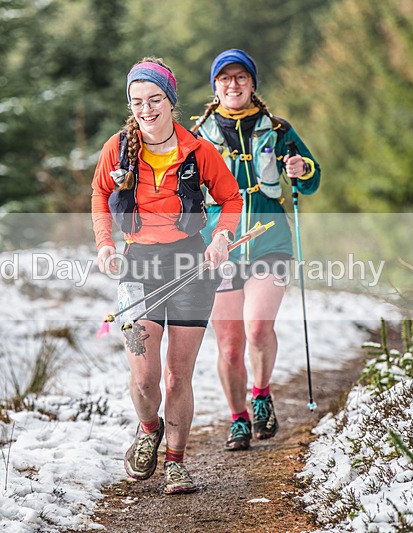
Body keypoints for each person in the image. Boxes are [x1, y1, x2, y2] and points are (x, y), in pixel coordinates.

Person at [91, 58, 242, 494]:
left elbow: (231, 198)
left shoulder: (198, 151)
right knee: (143, 377)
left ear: (171, 101)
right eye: (137, 101)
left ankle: (175, 461)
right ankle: (148, 429)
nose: (146, 109)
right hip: (137, 264)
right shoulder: (118, 148)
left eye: (155, 99)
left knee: (178, 375)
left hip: (192, 265)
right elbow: (100, 193)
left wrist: (221, 237)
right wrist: (104, 243)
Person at [192, 49, 321, 451]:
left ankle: (261, 395)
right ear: (215, 87)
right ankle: (238, 419)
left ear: (252, 84)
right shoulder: (197, 137)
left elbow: (311, 179)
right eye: (225, 78)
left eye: (241, 77)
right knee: (230, 346)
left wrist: (301, 169)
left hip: (270, 242)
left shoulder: (278, 130)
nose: (233, 85)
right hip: (221, 249)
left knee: (259, 327)